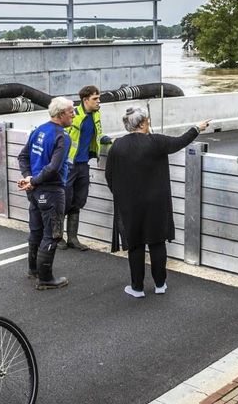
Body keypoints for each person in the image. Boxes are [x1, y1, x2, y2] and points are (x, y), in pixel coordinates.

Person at [104, 106, 210, 298]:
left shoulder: (117, 145)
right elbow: (180, 142)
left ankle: (137, 288)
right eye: (148, 121)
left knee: (135, 244)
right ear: (143, 123)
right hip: (156, 203)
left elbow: (109, 175)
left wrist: (122, 195)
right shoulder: (156, 142)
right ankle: (160, 284)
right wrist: (197, 128)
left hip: (129, 204)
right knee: (157, 242)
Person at [18, 97, 75, 290]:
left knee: (36, 231)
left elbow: (23, 156)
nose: (73, 115)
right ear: (61, 115)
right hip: (51, 191)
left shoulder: (38, 130)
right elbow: (54, 167)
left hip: (34, 192)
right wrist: (32, 180)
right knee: (52, 234)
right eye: (71, 112)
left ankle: (33, 269)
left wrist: (28, 178)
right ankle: (45, 278)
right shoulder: (62, 137)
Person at [61, 85, 109, 251]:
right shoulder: (73, 114)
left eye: (98, 98)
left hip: (83, 164)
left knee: (79, 200)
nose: (98, 101)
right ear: (85, 100)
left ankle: (72, 238)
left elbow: (100, 134)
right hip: (69, 165)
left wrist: (107, 140)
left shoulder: (96, 114)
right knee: (64, 200)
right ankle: (57, 237)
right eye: (95, 98)